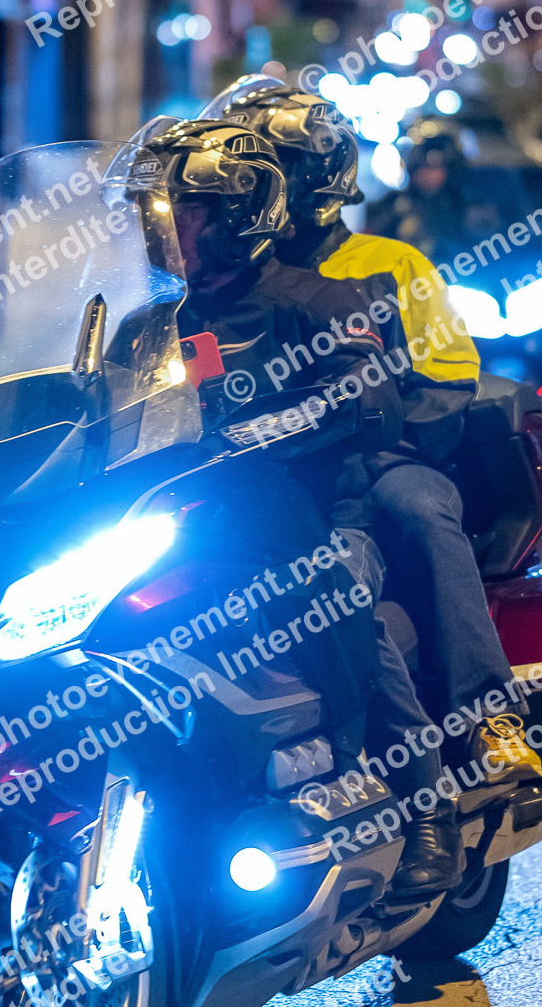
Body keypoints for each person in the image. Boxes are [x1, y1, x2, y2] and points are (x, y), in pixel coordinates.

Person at [135, 115, 465, 898]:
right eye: (156, 215)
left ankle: (428, 807)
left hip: (321, 518)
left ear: (237, 218)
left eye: (183, 214)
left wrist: (299, 416)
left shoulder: (319, 301)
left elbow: (370, 396)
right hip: (199, 522)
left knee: (336, 603)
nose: (163, 232)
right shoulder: (158, 322)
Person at [205, 77, 541, 784]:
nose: (248, 183)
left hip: (382, 458)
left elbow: (449, 379)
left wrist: (363, 438)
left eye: (267, 164)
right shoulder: (228, 279)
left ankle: (489, 717)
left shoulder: (390, 264)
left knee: (420, 511)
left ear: (313, 178)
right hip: (254, 471)